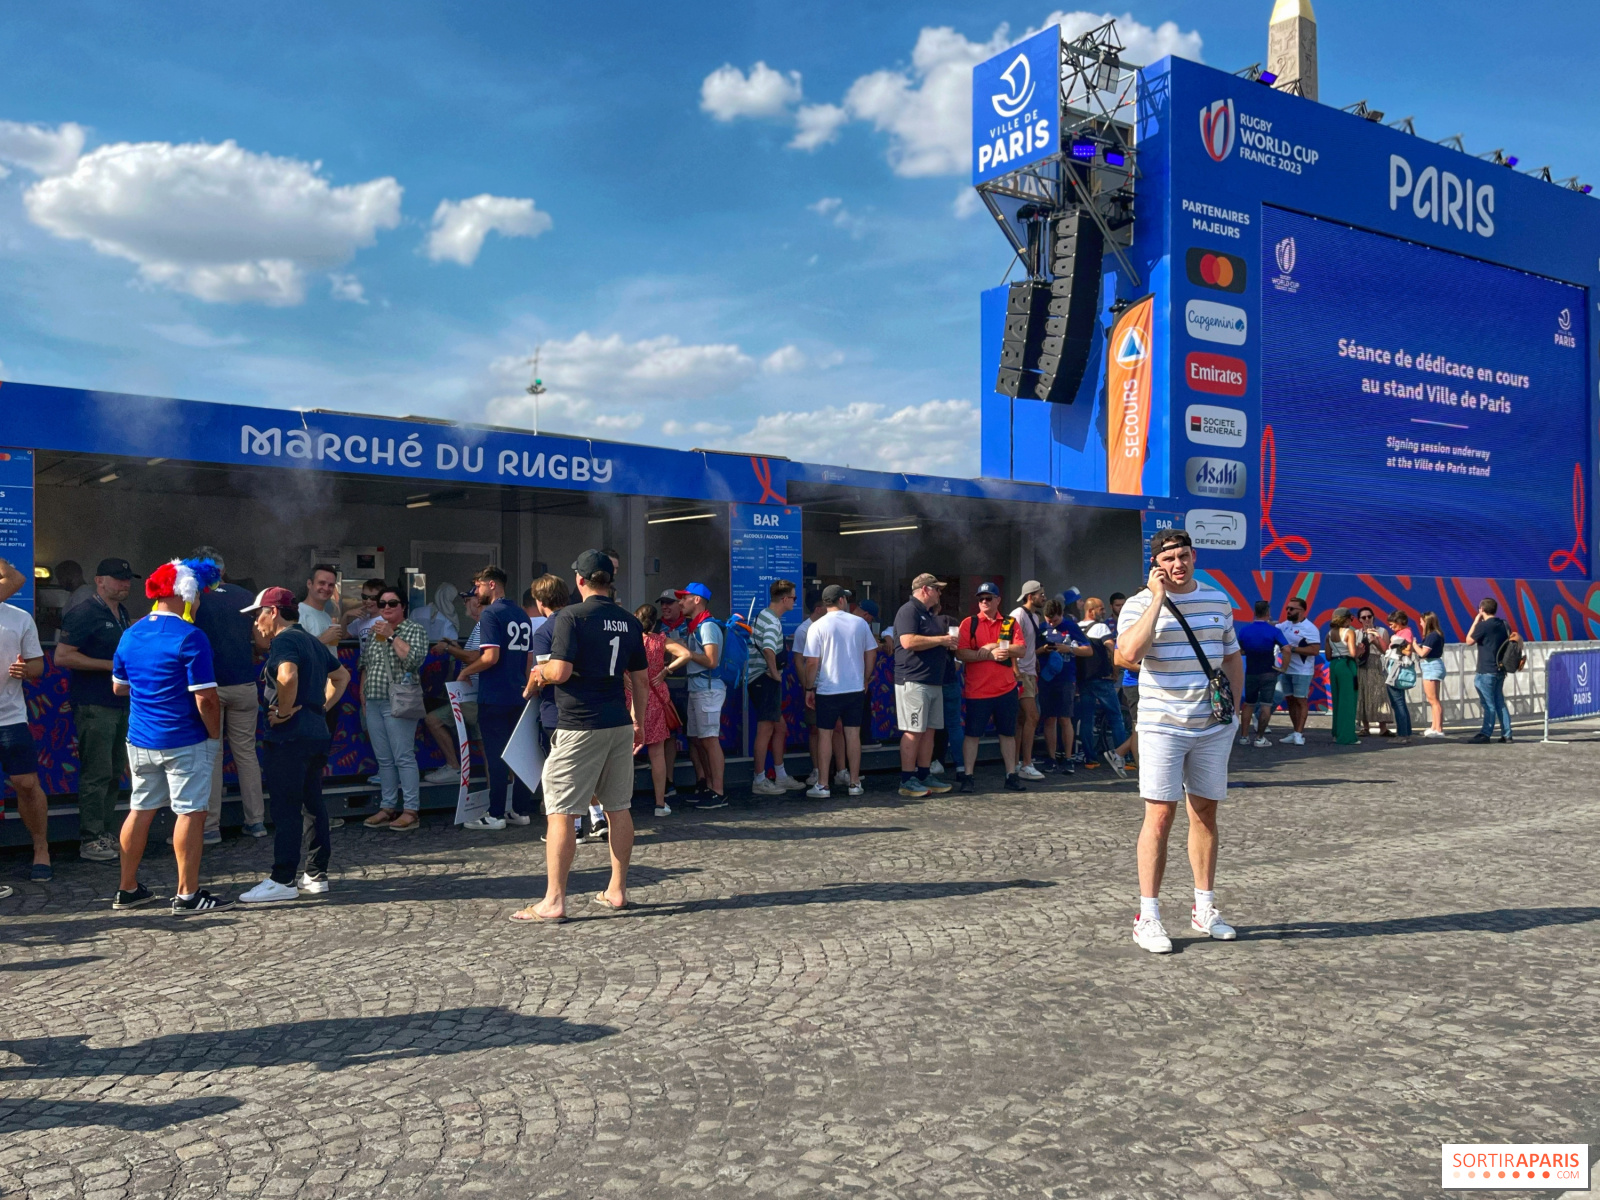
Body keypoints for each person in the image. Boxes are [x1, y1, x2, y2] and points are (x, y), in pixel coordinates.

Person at [1115, 529, 1243, 954]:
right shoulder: (1137, 604)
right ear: (1156, 564)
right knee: (1160, 817)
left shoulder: (1217, 600)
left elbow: (1230, 655)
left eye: (1184, 556)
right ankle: (1147, 916)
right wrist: (1156, 599)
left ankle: (1204, 907)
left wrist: (1235, 712)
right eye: (1169, 558)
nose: (1178, 564)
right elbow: (1128, 654)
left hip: (1211, 725)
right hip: (1161, 725)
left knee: (1205, 813)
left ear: (1194, 556)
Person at [510, 551, 649, 923]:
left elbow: (561, 669)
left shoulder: (570, 616)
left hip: (578, 724)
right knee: (618, 807)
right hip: (618, 722)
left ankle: (554, 900)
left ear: (580, 580)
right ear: (609, 581)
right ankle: (617, 890)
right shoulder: (628, 620)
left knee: (561, 812)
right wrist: (640, 720)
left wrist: (540, 676)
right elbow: (639, 678)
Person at [111, 557, 231, 914]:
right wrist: (213, 737)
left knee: (140, 809)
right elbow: (206, 699)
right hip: (185, 738)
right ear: (186, 592)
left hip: (141, 739)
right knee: (191, 812)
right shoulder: (191, 636)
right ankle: (187, 894)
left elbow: (119, 687)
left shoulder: (130, 633)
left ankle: (127, 888)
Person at [238, 588, 351, 903]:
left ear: (272, 612)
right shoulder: (312, 640)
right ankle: (316, 874)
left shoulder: (285, 640)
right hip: (315, 734)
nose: (255, 623)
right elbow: (341, 676)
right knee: (312, 803)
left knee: (286, 807)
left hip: (289, 736)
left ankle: (283, 879)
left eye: (256, 615)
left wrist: (285, 712)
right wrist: (320, 709)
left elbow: (287, 678)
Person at [55, 556, 137, 863]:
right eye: (117, 578)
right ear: (99, 580)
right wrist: (110, 666)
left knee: (114, 770)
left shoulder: (122, 612)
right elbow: (62, 657)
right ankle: (90, 839)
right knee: (97, 772)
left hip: (118, 702)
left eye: (127, 578)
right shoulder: (85, 612)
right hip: (94, 704)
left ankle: (103, 834)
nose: (125, 583)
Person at [189, 547, 267, 840]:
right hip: (244, 684)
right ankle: (256, 821)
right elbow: (261, 642)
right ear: (223, 570)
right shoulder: (246, 596)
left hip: (207, 686)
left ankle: (210, 828)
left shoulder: (193, 598)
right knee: (246, 754)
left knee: (212, 754)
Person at [457, 565, 534, 830]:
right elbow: (528, 659)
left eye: (478, 585)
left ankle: (496, 814)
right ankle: (521, 810)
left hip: (494, 695)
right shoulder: (521, 614)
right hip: (519, 694)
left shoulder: (491, 613)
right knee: (520, 754)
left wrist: (466, 670)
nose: (475, 591)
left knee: (497, 756)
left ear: (491, 584)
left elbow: (490, 657)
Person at [358, 587, 428, 831]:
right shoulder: (375, 630)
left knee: (403, 756)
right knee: (384, 759)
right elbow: (365, 664)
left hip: (397, 701)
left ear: (403, 606)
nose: (386, 607)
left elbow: (414, 660)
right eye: (382, 603)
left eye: (392, 603)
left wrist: (391, 635)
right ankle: (388, 807)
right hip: (374, 700)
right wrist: (363, 695)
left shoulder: (413, 629)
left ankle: (411, 810)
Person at [802, 584, 877, 799]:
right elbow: (871, 653)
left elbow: (811, 663)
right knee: (853, 735)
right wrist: (866, 678)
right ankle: (854, 783)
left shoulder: (817, 626)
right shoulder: (860, 623)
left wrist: (809, 688)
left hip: (828, 689)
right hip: (854, 688)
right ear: (842, 601)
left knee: (825, 735)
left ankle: (823, 785)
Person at [0, 557, 50, 880]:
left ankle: (41, 848)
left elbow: (38, 667)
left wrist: (25, 670)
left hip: (11, 717)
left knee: (26, 784)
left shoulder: (18, 618)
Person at [892, 573, 958, 798]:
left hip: (932, 681)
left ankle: (923, 773)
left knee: (929, 731)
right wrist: (941, 640)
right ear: (926, 590)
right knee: (914, 731)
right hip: (913, 679)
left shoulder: (928, 614)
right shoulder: (908, 611)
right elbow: (907, 641)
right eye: (937, 589)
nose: (940, 593)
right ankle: (907, 779)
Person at [956, 582, 1024, 791]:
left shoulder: (1010, 623)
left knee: (1008, 733)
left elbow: (1021, 650)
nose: (984, 602)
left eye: (988, 598)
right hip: (978, 691)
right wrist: (984, 654)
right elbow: (960, 653)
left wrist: (994, 646)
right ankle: (968, 776)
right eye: (981, 599)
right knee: (973, 734)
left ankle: (1011, 775)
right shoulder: (969, 623)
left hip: (1006, 689)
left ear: (998, 600)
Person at [631, 603, 692, 817]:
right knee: (657, 754)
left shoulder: (631, 641)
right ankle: (660, 803)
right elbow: (686, 654)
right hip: (655, 699)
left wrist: (626, 681)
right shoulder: (661, 641)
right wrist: (666, 670)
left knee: (625, 753)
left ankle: (622, 804)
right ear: (655, 622)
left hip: (631, 701)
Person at [749, 579, 805, 796]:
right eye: (793, 597)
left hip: (759, 679)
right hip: (764, 680)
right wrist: (774, 674)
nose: (794, 601)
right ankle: (760, 779)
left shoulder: (763, 614)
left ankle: (780, 775)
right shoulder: (772, 622)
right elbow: (769, 649)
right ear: (784, 599)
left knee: (779, 727)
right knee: (766, 729)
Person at [423, 589, 484, 783]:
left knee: (488, 750)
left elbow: (475, 657)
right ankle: (453, 767)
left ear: (478, 602)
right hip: (468, 694)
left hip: (479, 695)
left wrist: (448, 649)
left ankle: (503, 799)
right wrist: (455, 647)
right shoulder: (478, 626)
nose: (465, 604)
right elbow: (472, 655)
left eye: (468, 600)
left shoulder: (485, 625)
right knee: (433, 720)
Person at [677, 582, 728, 808]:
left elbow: (712, 661)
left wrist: (687, 654)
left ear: (697, 600)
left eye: (684, 598)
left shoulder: (706, 627)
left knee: (709, 740)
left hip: (708, 689)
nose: (680, 602)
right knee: (699, 740)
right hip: (698, 688)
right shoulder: (695, 626)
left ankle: (718, 790)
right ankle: (709, 786)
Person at [1076, 597, 1129, 777]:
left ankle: (1090, 759)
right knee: (1116, 717)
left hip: (1083, 680)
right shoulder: (1101, 628)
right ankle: (1122, 756)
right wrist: (1115, 671)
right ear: (1091, 611)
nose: (1104, 612)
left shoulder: (1077, 628)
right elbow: (1111, 647)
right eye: (1101, 609)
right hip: (1102, 678)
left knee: (1087, 719)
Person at [1235, 599, 1288, 748]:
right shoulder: (1274, 631)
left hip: (1251, 672)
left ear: (1255, 612)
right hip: (1268, 673)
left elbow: (1239, 650)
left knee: (1248, 704)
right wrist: (1284, 667)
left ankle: (1244, 737)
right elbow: (1287, 649)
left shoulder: (1245, 630)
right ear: (1268, 613)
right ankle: (1259, 738)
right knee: (1266, 705)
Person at [1009, 581, 1047, 779]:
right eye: (1041, 594)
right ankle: (1026, 763)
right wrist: (1015, 668)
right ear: (1030, 596)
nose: (1044, 597)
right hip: (1021, 673)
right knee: (1033, 716)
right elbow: (1006, 641)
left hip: (1030, 672)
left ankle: (1016, 763)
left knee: (1022, 719)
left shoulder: (1034, 616)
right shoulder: (1017, 615)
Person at [1465, 598, 1514, 743]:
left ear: (1481, 609)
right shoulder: (1504, 624)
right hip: (1500, 669)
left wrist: (1475, 621)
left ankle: (1486, 733)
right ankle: (1507, 734)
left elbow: (1468, 641)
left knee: (1488, 704)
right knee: (1500, 702)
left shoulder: (1483, 626)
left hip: (1486, 670)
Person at [1274, 597, 1321, 746]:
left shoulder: (1310, 628)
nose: (1288, 611)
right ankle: (1295, 731)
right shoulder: (1285, 625)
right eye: (1287, 608)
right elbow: (1271, 628)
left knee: (1301, 701)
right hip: (1287, 670)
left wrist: (1292, 649)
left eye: (1292, 609)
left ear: (1301, 611)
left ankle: (1299, 734)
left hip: (1302, 671)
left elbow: (1314, 650)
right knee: (1290, 700)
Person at [1036, 597, 1074, 773]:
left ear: (1062, 615)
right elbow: (1030, 652)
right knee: (1049, 718)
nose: (1052, 623)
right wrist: (1042, 650)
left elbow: (1087, 650)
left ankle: (1068, 758)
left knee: (1065, 718)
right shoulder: (1041, 628)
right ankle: (1051, 758)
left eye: (1055, 620)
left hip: (1066, 678)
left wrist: (1069, 649)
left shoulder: (1071, 626)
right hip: (1046, 679)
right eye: (1048, 620)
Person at [1354, 607, 1393, 736]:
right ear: (1359, 619)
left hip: (1376, 663)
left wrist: (1375, 640)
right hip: (1362, 665)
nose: (1367, 620)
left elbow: (1385, 650)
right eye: (1363, 617)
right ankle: (1365, 727)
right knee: (1363, 693)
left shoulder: (1382, 631)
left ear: (1373, 617)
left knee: (1379, 694)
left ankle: (1383, 727)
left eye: (1369, 617)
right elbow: (1354, 653)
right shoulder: (1356, 633)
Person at [1325, 608, 1360, 746]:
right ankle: (1346, 736)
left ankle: (1336, 733)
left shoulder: (1328, 634)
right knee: (1348, 701)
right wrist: (1360, 650)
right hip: (1347, 665)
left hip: (1334, 665)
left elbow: (1328, 656)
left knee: (1337, 700)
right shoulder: (1349, 632)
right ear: (1346, 619)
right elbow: (1352, 653)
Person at [1382, 611, 1417, 744]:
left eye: (1392, 624)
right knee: (1400, 702)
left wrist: (1394, 647)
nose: (1391, 627)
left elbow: (1408, 651)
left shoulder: (1405, 633)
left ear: (1400, 622)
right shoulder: (1403, 632)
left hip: (1396, 670)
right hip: (1395, 668)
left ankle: (1402, 735)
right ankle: (1406, 733)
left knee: (1398, 703)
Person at [297, 564, 346, 647]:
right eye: (321, 583)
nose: (326, 588)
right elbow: (293, 652)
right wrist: (322, 639)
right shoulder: (298, 613)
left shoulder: (326, 616)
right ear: (309, 584)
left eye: (331, 585)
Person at [1417, 611, 1447, 738]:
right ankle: (1434, 727)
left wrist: (1414, 645)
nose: (1420, 623)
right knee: (1434, 700)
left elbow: (1423, 653)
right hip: (1433, 665)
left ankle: (1438, 729)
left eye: (1422, 621)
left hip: (1431, 666)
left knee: (1433, 700)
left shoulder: (1432, 636)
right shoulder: (1436, 635)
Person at [345, 578, 389, 643]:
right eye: (365, 597)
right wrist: (346, 615)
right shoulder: (360, 620)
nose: (368, 601)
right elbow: (343, 635)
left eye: (373, 598)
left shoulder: (389, 620)